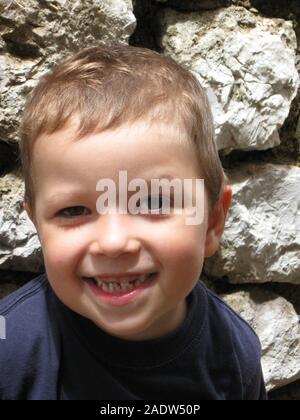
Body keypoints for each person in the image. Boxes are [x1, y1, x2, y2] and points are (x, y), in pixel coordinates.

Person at [0, 44, 267, 400]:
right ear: (38, 226)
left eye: (154, 203)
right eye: (74, 211)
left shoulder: (233, 353)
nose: (113, 242)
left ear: (213, 221)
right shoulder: (9, 349)